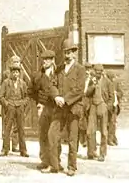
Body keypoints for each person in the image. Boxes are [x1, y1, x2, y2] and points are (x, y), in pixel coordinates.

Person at [43, 38, 86, 176]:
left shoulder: (80, 69)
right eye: (65, 52)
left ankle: (72, 167)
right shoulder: (60, 69)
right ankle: (54, 165)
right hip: (60, 108)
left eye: (69, 52)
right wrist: (56, 97)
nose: (66, 55)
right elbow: (52, 85)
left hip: (73, 108)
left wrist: (65, 99)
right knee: (52, 134)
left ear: (74, 53)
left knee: (73, 139)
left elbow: (79, 90)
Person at [28, 49, 59, 170]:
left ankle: (56, 161)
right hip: (43, 107)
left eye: (48, 59)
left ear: (52, 60)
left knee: (54, 135)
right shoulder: (38, 76)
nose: (45, 62)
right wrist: (39, 101)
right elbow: (30, 91)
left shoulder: (58, 74)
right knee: (43, 134)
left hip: (56, 108)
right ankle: (45, 160)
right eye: (44, 59)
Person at [0, 64, 29, 157]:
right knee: (7, 128)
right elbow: (1, 96)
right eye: (13, 72)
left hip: (19, 107)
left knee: (21, 129)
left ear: (19, 73)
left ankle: (23, 150)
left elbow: (27, 97)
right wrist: (7, 104)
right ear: (10, 73)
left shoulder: (23, 83)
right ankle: (5, 149)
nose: (15, 74)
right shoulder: (6, 82)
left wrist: (23, 104)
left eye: (17, 72)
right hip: (10, 106)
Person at [85, 64, 114, 161]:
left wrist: (107, 106)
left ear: (102, 71)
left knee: (103, 131)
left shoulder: (107, 82)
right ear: (94, 71)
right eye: (96, 71)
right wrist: (93, 85)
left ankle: (102, 154)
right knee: (90, 130)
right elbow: (87, 93)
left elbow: (111, 97)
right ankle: (91, 152)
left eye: (100, 71)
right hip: (93, 105)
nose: (98, 73)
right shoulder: (91, 81)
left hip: (102, 105)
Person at [78, 62, 93, 150]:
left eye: (89, 69)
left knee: (89, 122)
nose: (87, 71)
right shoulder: (81, 78)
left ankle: (88, 141)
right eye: (86, 69)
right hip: (81, 102)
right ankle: (82, 140)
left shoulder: (92, 80)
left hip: (89, 103)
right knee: (81, 121)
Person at [106, 71, 123, 146]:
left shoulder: (116, 83)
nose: (112, 79)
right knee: (110, 123)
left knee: (113, 123)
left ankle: (112, 139)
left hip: (115, 106)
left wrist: (116, 93)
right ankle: (111, 139)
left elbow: (121, 93)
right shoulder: (106, 84)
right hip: (108, 106)